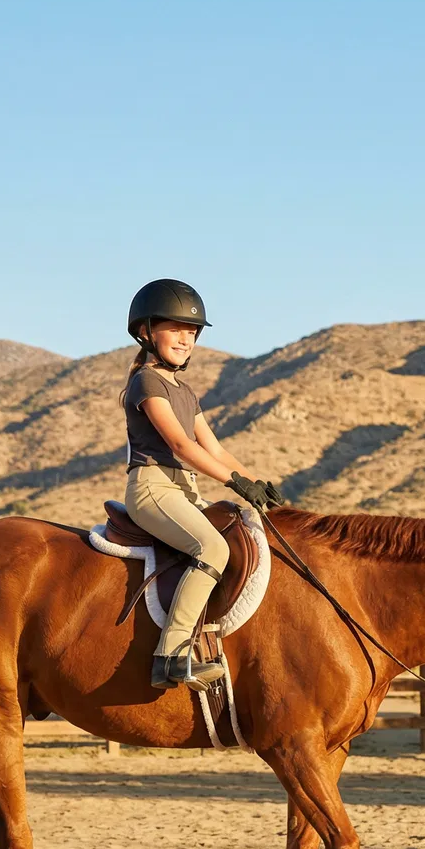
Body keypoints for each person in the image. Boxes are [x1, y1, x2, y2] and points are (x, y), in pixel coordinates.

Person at [121, 279, 284, 690]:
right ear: (147, 332)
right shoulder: (146, 381)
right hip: (153, 488)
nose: (185, 338)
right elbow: (179, 444)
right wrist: (231, 481)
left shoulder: (185, 391)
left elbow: (214, 448)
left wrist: (253, 484)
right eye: (175, 328)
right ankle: (171, 657)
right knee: (211, 547)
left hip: (186, 490)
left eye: (191, 331)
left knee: (244, 531)